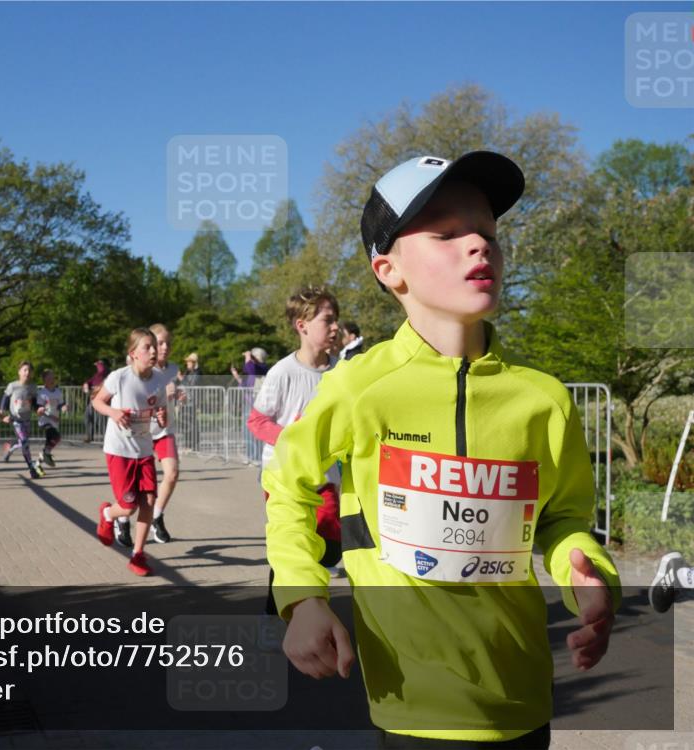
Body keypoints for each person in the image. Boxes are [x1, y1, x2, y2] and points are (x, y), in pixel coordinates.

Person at [265, 152, 620, 747]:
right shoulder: (357, 387)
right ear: (388, 269)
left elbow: (563, 519)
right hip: (411, 705)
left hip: (522, 704)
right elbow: (288, 486)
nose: (478, 245)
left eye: (487, 231)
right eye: (448, 233)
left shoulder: (544, 400)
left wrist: (586, 574)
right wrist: (301, 598)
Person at [248, 285, 342, 614]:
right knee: (292, 547)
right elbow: (257, 421)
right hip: (283, 476)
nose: (336, 328)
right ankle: (277, 617)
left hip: (325, 475)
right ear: (302, 325)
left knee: (330, 549)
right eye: (327, 320)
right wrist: (292, 437)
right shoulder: (282, 373)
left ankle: (302, 598)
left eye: (337, 320)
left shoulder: (341, 372)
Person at [91, 328, 170, 576]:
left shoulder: (159, 380)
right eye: (147, 347)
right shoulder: (119, 377)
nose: (153, 351)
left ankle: (138, 555)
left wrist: (161, 415)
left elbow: (163, 417)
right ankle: (107, 513)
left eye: (154, 346)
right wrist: (114, 413)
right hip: (119, 450)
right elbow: (97, 401)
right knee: (127, 507)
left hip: (144, 449)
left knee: (148, 501)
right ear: (133, 353)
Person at [132, 323, 183, 546]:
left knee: (171, 473)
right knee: (135, 485)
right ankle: (122, 519)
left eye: (168, 343)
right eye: (160, 343)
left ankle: (157, 516)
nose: (164, 347)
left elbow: (170, 394)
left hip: (164, 430)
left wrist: (178, 394)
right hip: (140, 431)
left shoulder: (173, 369)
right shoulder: (139, 368)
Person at [0, 361, 42, 480]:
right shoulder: (13, 385)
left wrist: (38, 409)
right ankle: (31, 468)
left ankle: (10, 448)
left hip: (27, 419)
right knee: (24, 442)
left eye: (29, 370)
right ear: (19, 372)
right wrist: (2, 409)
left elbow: (34, 402)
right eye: (25, 370)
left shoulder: (33, 387)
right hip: (15, 419)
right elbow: (5, 397)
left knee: (23, 442)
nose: (27, 373)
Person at [231, 348, 270, 464]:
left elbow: (250, 368)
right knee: (246, 431)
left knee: (255, 431)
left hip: (257, 404)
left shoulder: (262, 367)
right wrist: (237, 377)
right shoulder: (254, 371)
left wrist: (248, 356)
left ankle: (256, 457)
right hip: (248, 403)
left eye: (253, 357)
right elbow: (246, 384)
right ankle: (249, 455)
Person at [36, 370, 68, 468]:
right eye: (49, 378)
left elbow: (60, 405)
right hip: (45, 421)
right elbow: (39, 409)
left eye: (53, 377)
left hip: (55, 421)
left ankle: (37, 464)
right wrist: (45, 413)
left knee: (49, 445)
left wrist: (64, 407)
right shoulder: (42, 393)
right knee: (56, 437)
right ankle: (45, 454)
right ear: (44, 380)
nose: (51, 380)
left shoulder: (58, 392)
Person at [83, 358, 111, 443]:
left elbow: (102, 370)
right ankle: (89, 436)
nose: (98, 366)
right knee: (88, 416)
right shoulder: (97, 375)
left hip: (102, 400)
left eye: (100, 364)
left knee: (100, 420)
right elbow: (89, 381)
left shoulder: (107, 374)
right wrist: (86, 384)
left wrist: (99, 364)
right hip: (93, 400)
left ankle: (107, 437)